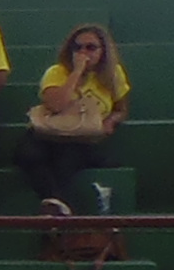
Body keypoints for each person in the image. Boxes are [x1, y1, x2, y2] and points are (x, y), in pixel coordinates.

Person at [12, 24, 131, 207]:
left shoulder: (113, 75)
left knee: (68, 159)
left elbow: (121, 109)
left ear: (103, 51)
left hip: (85, 138)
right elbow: (56, 105)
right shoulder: (57, 72)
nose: (84, 52)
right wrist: (76, 72)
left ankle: (57, 210)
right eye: (78, 47)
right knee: (28, 154)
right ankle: (57, 204)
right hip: (51, 134)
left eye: (91, 47)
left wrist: (110, 121)